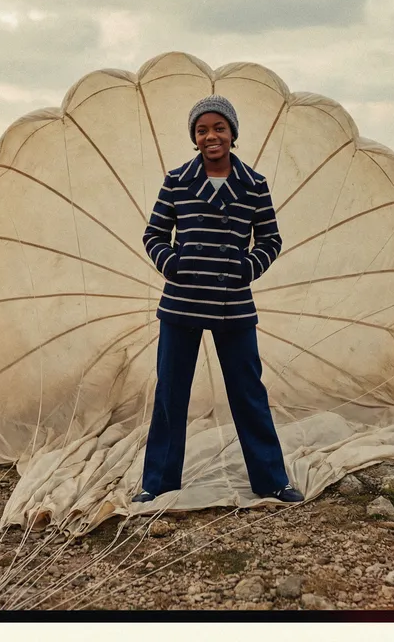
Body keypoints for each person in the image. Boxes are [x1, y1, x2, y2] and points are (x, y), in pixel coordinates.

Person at [133, 95, 304, 504]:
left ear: (232, 133)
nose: (211, 136)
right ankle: (157, 483)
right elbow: (153, 234)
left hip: (234, 303)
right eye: (202, 130)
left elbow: (271, 239)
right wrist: (173, 265)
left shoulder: (254, 185)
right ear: (194, 138)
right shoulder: (176, 180)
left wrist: (247, 269)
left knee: (248, 394)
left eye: (219, 128)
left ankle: (271, 481)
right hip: (181, 303)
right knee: (171, 395)